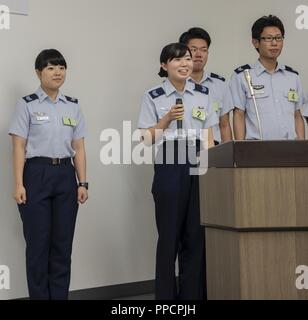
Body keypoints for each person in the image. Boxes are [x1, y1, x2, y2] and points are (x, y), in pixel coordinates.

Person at [138, 43, 218, 300]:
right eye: (177, 60)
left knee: (195, 236)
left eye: (187, 59)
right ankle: (165, 300)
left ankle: (191, 298)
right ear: (164, 66)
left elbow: (209, 136)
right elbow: (147, 139)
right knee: (169, 236)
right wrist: (167, 119)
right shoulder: (153, 95)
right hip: (170, 159)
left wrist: (210, 170)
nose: (185, 63)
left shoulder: (203, 93)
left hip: (198, 159)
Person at [9, 49, 88, 300]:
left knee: (62, 246)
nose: (57, 72)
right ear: (38, 72)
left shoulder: (73, 106)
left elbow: (79, 147)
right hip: (36, 174)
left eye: (61, 67)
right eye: (51, 67)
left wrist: (82, 182)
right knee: (38, 246)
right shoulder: (27, 104)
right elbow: (19, 146)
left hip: (66, 175)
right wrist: (19, 183)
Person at [230, 15, 305, 140]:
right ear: (255, 42)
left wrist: (302, 150)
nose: (274, 43)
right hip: (257, 151)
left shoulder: (292, 77)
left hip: (290, 150)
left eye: (278, 38)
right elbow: (239, 115)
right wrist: (241, 151)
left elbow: (297, 115)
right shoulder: (242, 76)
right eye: (269, 38)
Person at [179, 27, 233, 144]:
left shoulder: (219, 85)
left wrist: (228, 157)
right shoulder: (175, 85)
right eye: (193, 49)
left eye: (203, 50)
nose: (199, 54)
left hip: (214, 150)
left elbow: (224, 125)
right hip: (183, 150)